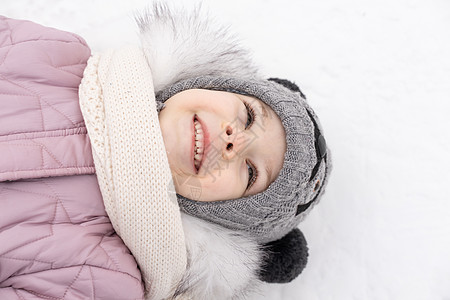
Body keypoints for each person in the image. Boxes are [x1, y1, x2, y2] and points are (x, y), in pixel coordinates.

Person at [0, 4, 331, 300]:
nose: (234, 141)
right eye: (249, 116)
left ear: (223, 214)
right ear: (214, 84)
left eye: (250, 172)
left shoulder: (108, 275)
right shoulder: (55, 56)